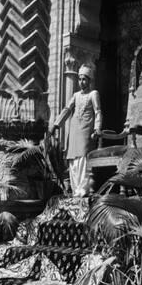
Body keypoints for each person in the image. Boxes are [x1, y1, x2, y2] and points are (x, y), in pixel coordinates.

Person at [50, 65, 102, 197]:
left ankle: (82, 191)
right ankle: (75, 192)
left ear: (89, 81)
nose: (81, 82)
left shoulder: (93, 94)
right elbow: (67, 109)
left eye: (84, 79)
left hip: (86, 130)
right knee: (73, 161)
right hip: (74, 130)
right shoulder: (76, 95)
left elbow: (98, 112)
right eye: (79, 79)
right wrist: (56, 124)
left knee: (83, 160)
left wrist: (97, 128)